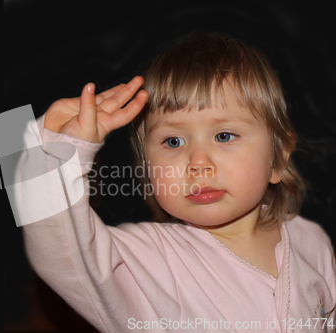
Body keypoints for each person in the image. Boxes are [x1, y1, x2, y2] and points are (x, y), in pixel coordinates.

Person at [20, 32, 335, 332]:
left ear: (278, 158)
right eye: (172, 141)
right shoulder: (141, 261)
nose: (198, 163)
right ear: (147, 169)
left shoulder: (311, 241)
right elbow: (62, 251)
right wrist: (54, 152)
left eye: (224, 136)